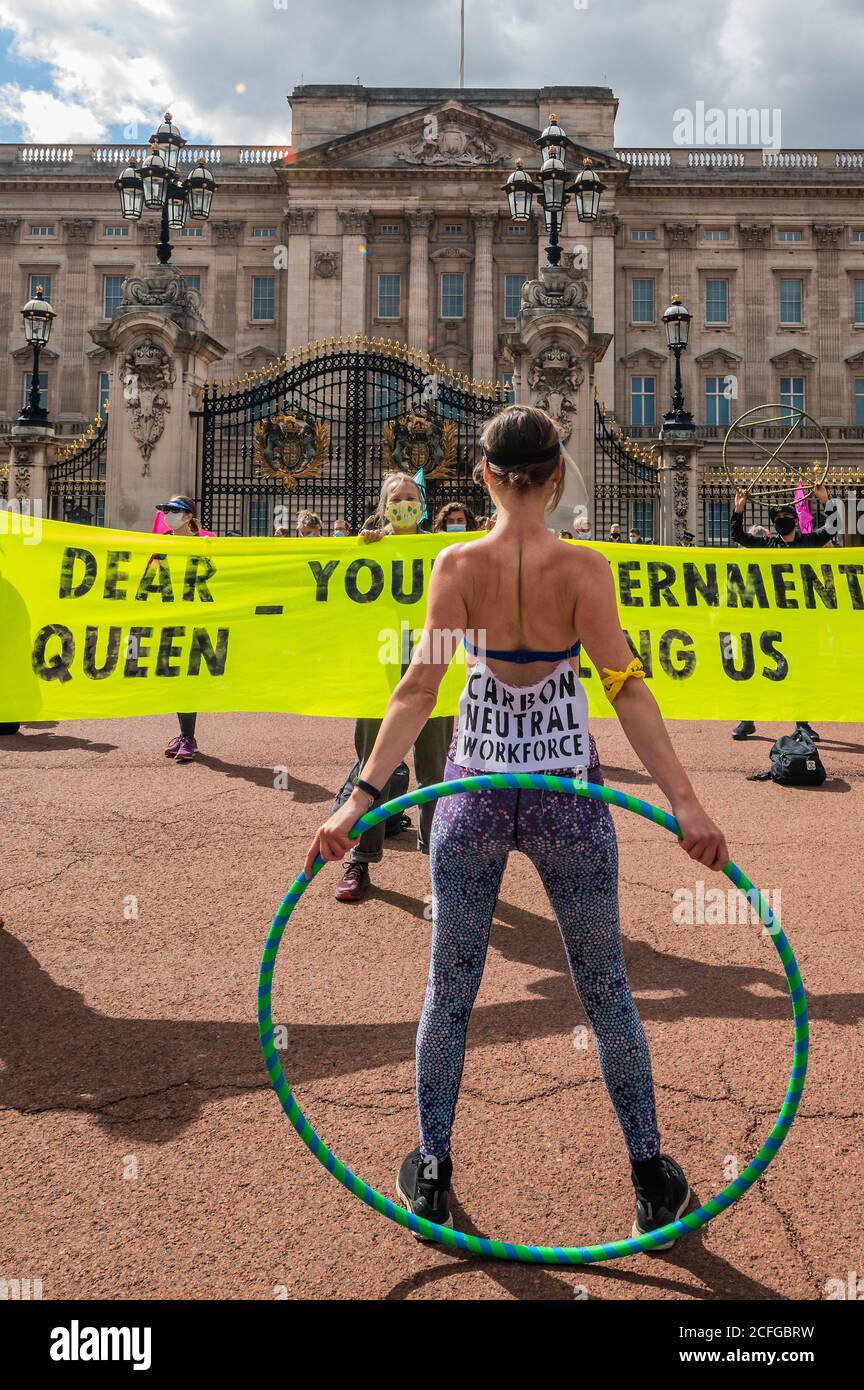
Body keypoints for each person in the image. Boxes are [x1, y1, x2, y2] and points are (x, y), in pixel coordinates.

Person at [304, 405, 728, 1243]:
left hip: (476, 791)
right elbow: (627, 686)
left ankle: (430, 1168)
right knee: (607, 989)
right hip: (569, 789)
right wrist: (684, 801)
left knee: (450, 992)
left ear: (486, 478)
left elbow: (418, 691)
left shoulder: (458, 564)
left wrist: (358, 798)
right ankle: (649, 1175)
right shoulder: (586, 570)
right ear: (559, 475)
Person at [334, 471, 454, 904]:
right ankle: (360, 860)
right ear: (385, 506)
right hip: (380, 666)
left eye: (411, 497)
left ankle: (441, 868)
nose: (405, 504)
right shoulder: (371, 547)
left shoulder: (441, 549)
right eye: (396, 498)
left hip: (432, 663)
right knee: (371, 764)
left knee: (435, 772)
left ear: (421, 503)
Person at [730, 484, 832, 743]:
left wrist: (826, 501)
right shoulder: (767, 544)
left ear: (796, 522)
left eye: (786, 519)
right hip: (769, 619)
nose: (782, 523)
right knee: (758, 669)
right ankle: (748, 719)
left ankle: (802, 723)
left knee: (799, 671)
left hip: (798, 619)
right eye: (777, 520)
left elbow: (832, 529)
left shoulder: (807, 543)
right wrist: (738, 510)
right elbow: (738, 536)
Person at [157, 495, 214, 764]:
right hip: (171, 615)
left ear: (188, 516)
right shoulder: (161, 543)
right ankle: (184, 734)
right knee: (177, 677)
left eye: (173, 510)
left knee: (188, 677)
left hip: (199, 617)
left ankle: (188, 737)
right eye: (166, 510)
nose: (167, 514)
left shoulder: (206, 544)